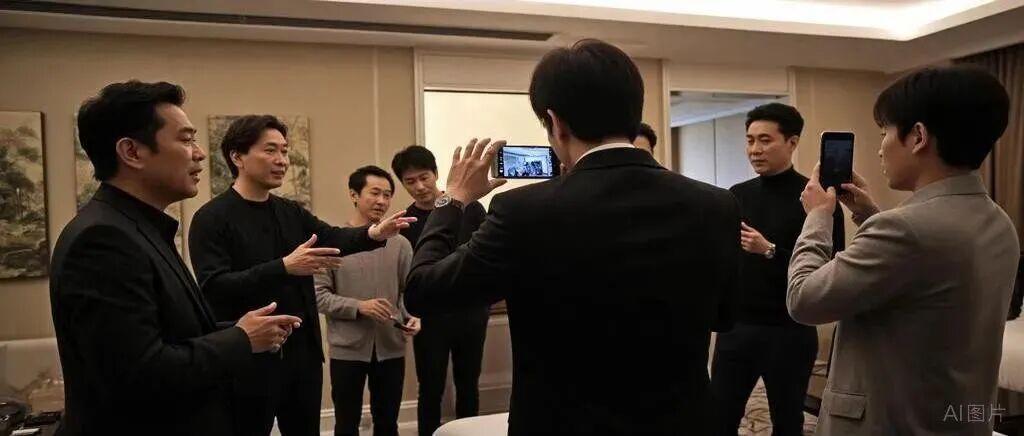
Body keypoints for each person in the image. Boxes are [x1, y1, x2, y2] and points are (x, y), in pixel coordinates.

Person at [404, 39, 740, 435]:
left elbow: (424, 291)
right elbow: (724, 316)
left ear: (555, 122)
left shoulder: (522, 210)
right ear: (634, 111)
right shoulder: (716, 204)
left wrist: (452, 198)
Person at [51, 81, 302, 436]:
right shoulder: (103, 240)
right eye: (185, 140)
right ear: (132, 152)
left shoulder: (137, 227)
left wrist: (239, 329)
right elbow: (141, 373)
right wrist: (241, 339)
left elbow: (169, 334)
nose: (199, 154)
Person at [788, 65, 1019, 435]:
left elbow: (803, 299)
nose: (880, 148)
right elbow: (924, 275)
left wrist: (818, 218)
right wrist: (871, 216)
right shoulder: (999, 223)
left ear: (918, 137)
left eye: (884, 133)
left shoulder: (904, 230)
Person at [189, 115, 414, 436]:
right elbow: (214, 287)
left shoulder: (289, 211)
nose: (282, 160)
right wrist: (283, 267)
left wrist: (374, 233)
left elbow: (332, 237)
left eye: (284, 150)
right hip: (248, 355)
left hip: (302, 355)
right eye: (270, 150)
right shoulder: (211, 218)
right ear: (237, 157)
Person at [710, 103, 845, 436]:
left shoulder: (817, 200)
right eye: (750, 140)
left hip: (789, 332)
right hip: (737, 329)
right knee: (719, 419)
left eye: (765, 140)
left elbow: (830, 269)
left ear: (792, 142)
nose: (755, 150)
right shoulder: (736, 195)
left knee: (787, 422)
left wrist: (769, 250)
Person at [314, 166, 422, 436]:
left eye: (387, 195)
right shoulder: (333, 242)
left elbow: (408, 292)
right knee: (346, 424)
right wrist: (359, 307)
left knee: (388, 424)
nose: (381, 201)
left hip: (391, 346)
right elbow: (319, 296)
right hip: (347, 348)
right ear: (354, 195)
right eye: (375, 193)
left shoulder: (401, 244)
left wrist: (411, 316)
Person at [390, 145, 489, 436]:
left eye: (424, 177)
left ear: (436, 173)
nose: (419, 187)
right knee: (430, 387)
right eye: (410, 181)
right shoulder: (405, 221)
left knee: (468, 382)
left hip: (471, 310)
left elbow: (485, 256)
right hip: (429, 316)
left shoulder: (470, 208)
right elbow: (405, 275)